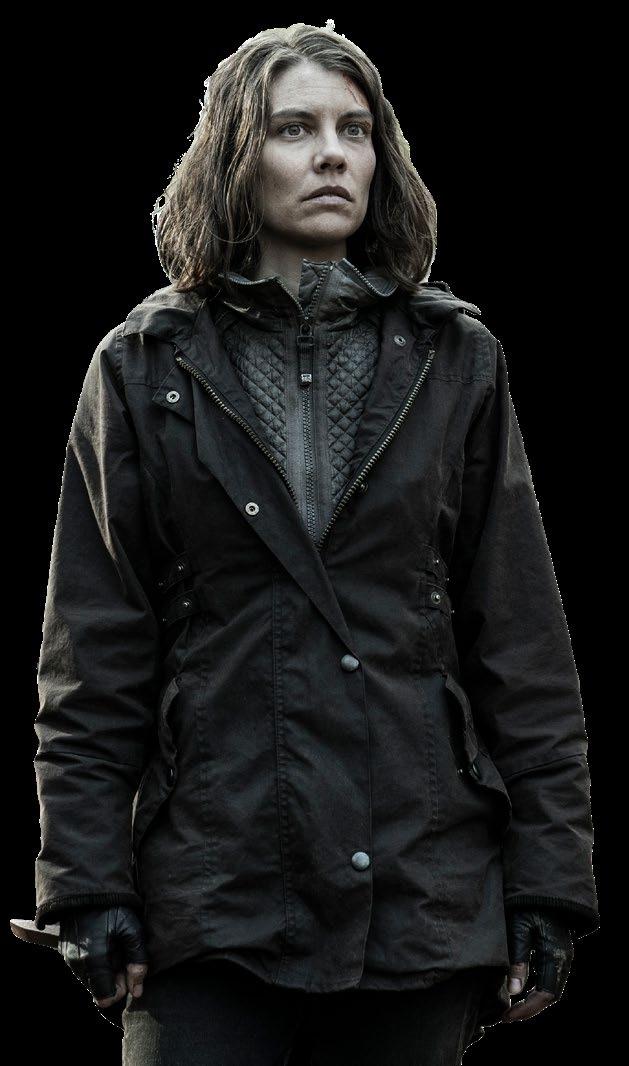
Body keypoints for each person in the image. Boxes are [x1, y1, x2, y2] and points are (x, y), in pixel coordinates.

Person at [29, 20, 599, 1066]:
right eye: (293, 129)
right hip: (212, 886)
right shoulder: (143, 365)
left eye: (354, 129)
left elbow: (520, 643)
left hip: (419, 888)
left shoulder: (453, 359)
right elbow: (93, 652)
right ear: (234, 156)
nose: (332, 153)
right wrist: (86, 882)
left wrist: (549, 884)